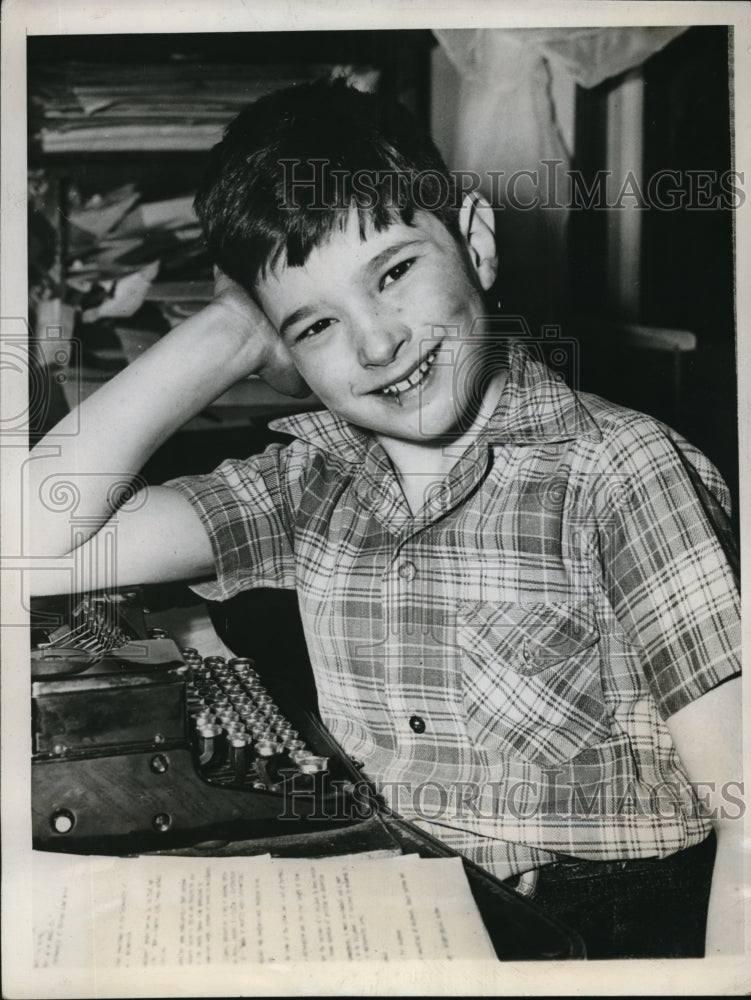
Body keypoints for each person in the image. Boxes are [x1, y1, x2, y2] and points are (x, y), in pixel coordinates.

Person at [28, 79, 742, 959]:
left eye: (395, 272)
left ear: (475, 242)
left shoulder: (621, 473)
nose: (374, 344)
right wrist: (225, 333)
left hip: (596, 937)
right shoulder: (309, 479)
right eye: (317, 323)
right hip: (399, 898)